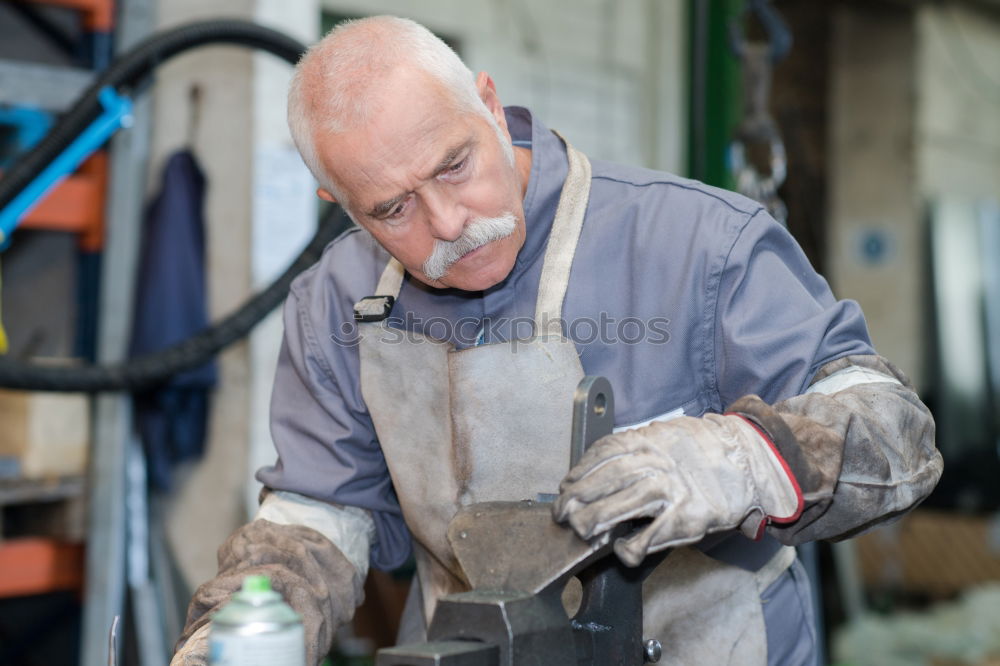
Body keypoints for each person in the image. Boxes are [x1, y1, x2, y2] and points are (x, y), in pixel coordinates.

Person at [171, 15, 941, 665]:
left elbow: (893, 433)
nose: (449, 223)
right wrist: (235, 630)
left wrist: (746, 458)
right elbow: (319, 516)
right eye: (392, 209)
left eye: (455, 165)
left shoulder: (699, 244)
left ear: (489, 103)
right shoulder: (334, 302)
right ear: (338, 205)